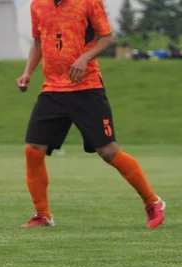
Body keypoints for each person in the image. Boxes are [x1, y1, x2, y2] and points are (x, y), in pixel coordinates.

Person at [17, 0, 166, 228]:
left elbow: (108, 38)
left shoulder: (88, 2)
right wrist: (27, 72)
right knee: (33, 149)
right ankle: (43, 215)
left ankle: (153, 202)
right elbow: (38, 43)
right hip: (53, 89)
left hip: (87, 88)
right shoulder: (38, 4)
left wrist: (85, 57)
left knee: (108, 152)